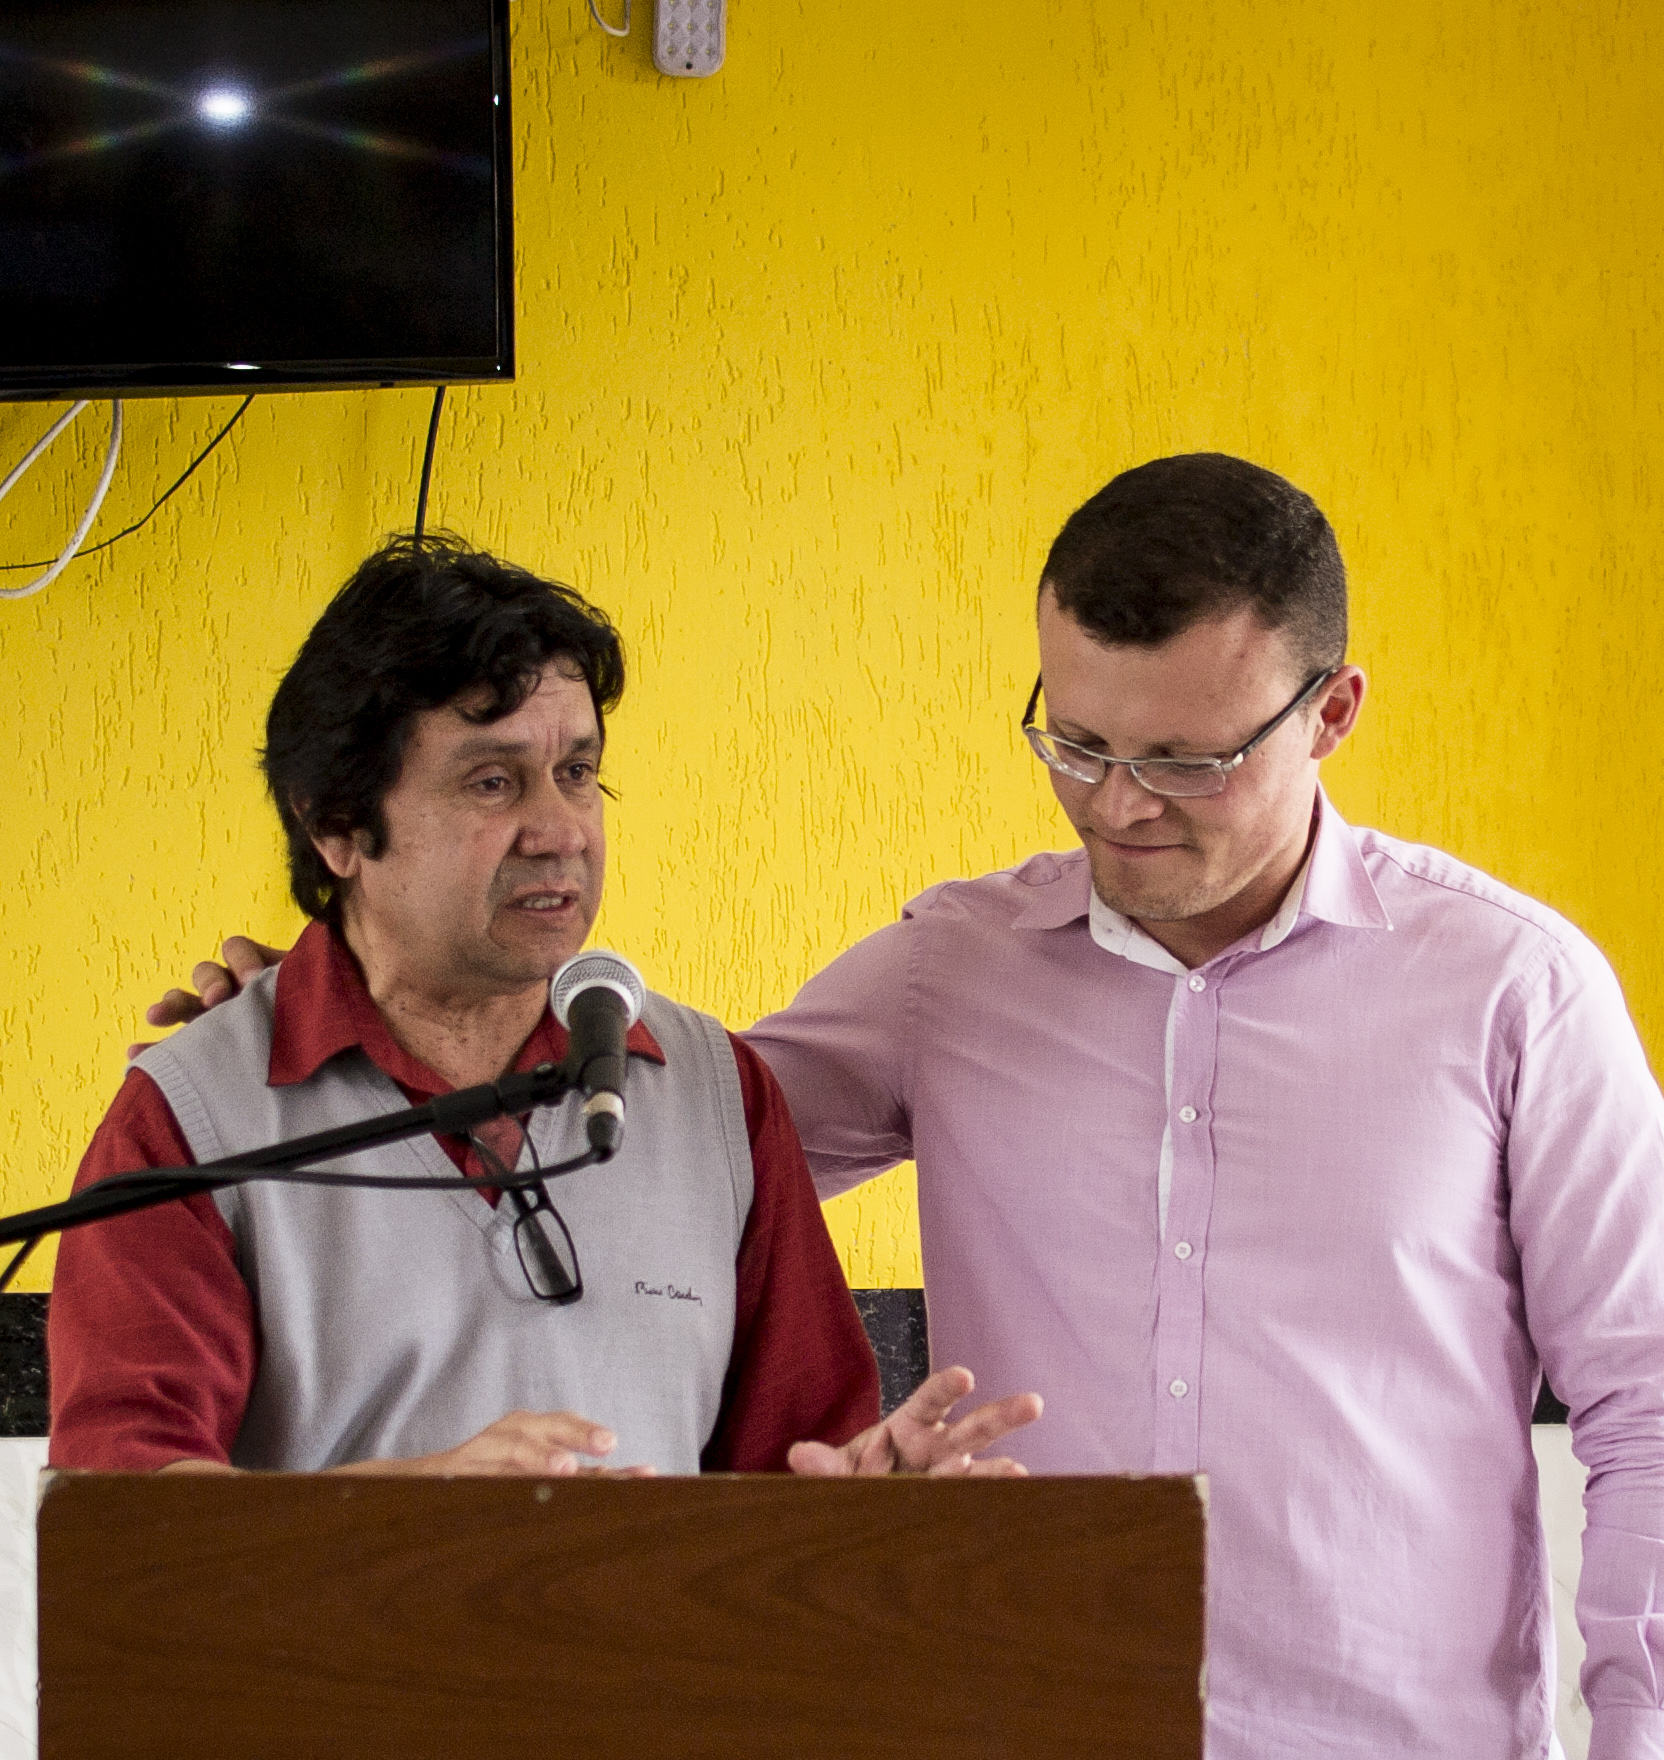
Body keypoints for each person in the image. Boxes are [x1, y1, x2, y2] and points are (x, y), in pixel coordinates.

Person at [142, 458, 1664, 1760]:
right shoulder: (957, 968)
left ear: (1334, 711)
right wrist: (325, 1012)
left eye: (1184, 759)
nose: (1118, 805)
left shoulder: (1513, 992)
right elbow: (662, 1128)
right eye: (1075, 742)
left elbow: (1649, 1398)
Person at [48, 534, 1038, 1485]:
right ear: (337, 825)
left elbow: (800, 1468)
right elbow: (123, 1520)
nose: (561, 830)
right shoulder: (192, 1117)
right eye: (493, 782)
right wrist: (407, 1513)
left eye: (577, 772)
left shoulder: (716, 1093)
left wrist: (864, 1500)